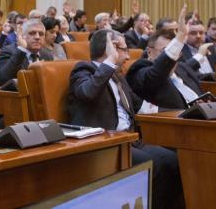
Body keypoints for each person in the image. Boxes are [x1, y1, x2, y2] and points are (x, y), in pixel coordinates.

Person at [68, 29, 184, 209]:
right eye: (124, 50)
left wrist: (184, 113)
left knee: (174, 161)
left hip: (131, 139)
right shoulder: (84, 69)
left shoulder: (118, 78)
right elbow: (87, 93)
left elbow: (142, 107)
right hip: (106, 143)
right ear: (112, 48)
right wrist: (109, 61)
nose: (128, 56)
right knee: (155, 165)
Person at [127, 27, 213, 110]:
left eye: (177, 51)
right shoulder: (141, 70)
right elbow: (156, 73)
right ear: (149, 52)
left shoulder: (182, 68)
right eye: (166, 51)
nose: (173, 58)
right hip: (175, 119)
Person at [0, 19, 53, 87]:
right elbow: (3, 78)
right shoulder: (8, 51)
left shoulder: (47, 55)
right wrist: (22, 49)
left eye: (41, 34)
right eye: (32, 33)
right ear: (22, 36)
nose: (37, 37)